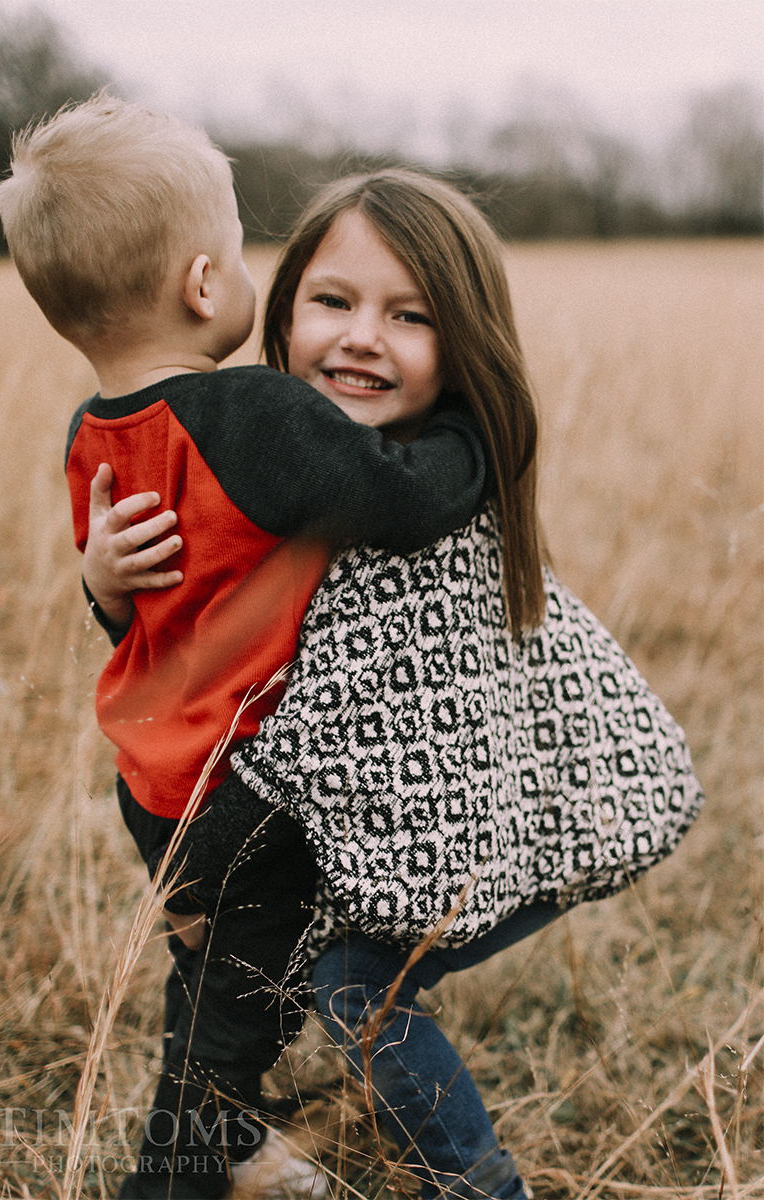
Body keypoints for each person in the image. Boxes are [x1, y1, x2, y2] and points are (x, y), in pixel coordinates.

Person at [84, 170, 703, 1200]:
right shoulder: (278, 461)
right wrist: (110, 586)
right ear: (281, 319)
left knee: (356, 983)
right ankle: (234, 1145)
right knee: (254, 983)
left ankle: (475, 1185)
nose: (363, 335)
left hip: (482, 827)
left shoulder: (418, 500)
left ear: (460, 347)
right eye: (334, 301)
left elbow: (319, 731)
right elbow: (190, 641)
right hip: (360, 827)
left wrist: (195, 870)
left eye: (409, 316)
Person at [0, 101, 492, 1200]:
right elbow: (400, 503)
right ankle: (173, 1178)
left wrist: (98, 589)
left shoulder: (95, 431)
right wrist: (472, 433)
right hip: (244, 789)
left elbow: (157, 604)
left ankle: (217, 1144)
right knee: (233, 1024)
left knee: (210, 974)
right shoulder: (256, 415)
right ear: (204, 283)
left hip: (154, 776)